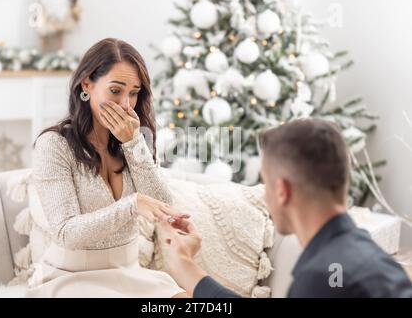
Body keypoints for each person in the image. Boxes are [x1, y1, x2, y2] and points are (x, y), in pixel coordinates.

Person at [161, 119, 412, 298]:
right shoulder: (367, 254)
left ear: (282, 191)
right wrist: (186, 267)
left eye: (266, 183)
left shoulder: (321, 275)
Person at [26, 38, 190, 298]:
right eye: (116, 91)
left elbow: (161, 204)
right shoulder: (53, 145)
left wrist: (133, 143)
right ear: (87, 84)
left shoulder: (135, 139)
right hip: (72, 278)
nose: (126, 104)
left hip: (128, 273)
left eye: (134, 93)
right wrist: (132, 204)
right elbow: (66, 233)